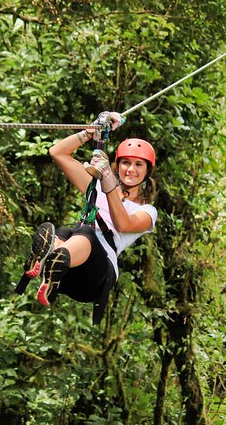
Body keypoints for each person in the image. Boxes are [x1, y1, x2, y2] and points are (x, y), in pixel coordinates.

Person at [16, 112, 158, 325]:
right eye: (126, 163)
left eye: (139, 165)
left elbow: (123, 224)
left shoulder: (147, 211)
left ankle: (55, 256)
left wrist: (108, 179)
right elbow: (57, 153)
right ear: (118, 165)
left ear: (147, 171)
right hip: (69, 275)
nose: (131, 169)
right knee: (65, 231)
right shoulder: (97, 188)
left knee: (86, 232)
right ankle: (49, 266)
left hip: (95, 278)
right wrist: (88, 133)